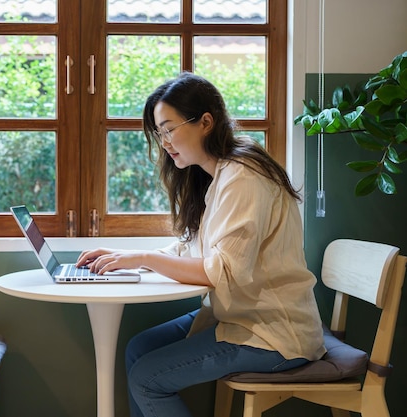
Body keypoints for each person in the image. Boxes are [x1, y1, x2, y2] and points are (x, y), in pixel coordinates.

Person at [75, 72, 326, 417]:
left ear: (205, 122)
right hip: (239, 316)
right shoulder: (219, 174)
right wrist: (126, 258)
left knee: (148, 379)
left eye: (169, 128)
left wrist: (142, 257)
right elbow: (191, 248)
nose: (164, 141)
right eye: (159, 132)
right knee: (138, 348)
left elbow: (219, 272)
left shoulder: (243, 176)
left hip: (274, 334)